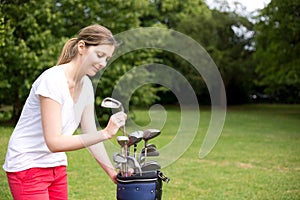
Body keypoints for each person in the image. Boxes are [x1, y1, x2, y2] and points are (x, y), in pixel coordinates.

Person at [3, 24, 127, 199]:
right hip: (28, 166)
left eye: (107, 58)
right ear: (82, 47)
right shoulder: (52, 80)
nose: (103, 63)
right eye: (100, 55)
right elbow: (54, 143)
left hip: (57, 166)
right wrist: (106, 133)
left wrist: (111, 172)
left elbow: (90, 134)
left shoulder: (86, 87)